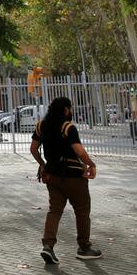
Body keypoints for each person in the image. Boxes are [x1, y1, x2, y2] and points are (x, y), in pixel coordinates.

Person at [30, 96, 101, 264]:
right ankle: (84, 248)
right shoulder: (68, 127)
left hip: (53, 177)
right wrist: (91, 164)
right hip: (74, 177)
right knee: (82, 211)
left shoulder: (41, 126)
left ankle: (48, 246)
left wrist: (43, 165)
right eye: (70, 108)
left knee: (54, 211)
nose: (72, 111)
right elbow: (79, 150)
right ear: (65, 110)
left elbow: (33, 149)